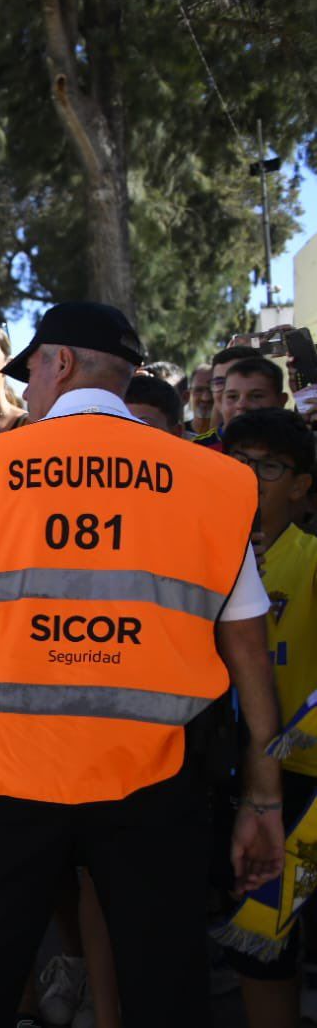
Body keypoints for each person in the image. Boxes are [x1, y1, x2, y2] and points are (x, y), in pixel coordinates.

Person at [0, 301, 286, 1027]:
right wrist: (263, 799)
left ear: (58, 363)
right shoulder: (209, 478)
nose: (26, 390)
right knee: (166, 984)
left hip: (6, 771)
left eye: (31, 373)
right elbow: (246, 647)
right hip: (157, 774)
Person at [219, 408, 317, 1028]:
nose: (251, 478)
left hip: (304, 787)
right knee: (261, 952)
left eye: (269, 467)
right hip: (228, 778)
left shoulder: (311, 559)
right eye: (239, 463)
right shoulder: (199, 557)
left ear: (303, 483)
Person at [198, 344, 263, 448]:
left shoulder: (288, 439)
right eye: (220, 382)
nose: (228, 389)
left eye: (239, 380)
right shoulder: (197, 449)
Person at [221, 356, 290, 430]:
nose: (241, 405)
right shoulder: (209, 441)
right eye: (232, 397)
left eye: (256, 396)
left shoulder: (298, 439)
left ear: (281, 401)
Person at [187, 363, 216, 437]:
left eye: (211, 390)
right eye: (199, 390)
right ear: (189, 393)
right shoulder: (177, 434)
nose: (206, 398)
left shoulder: (231, 437)